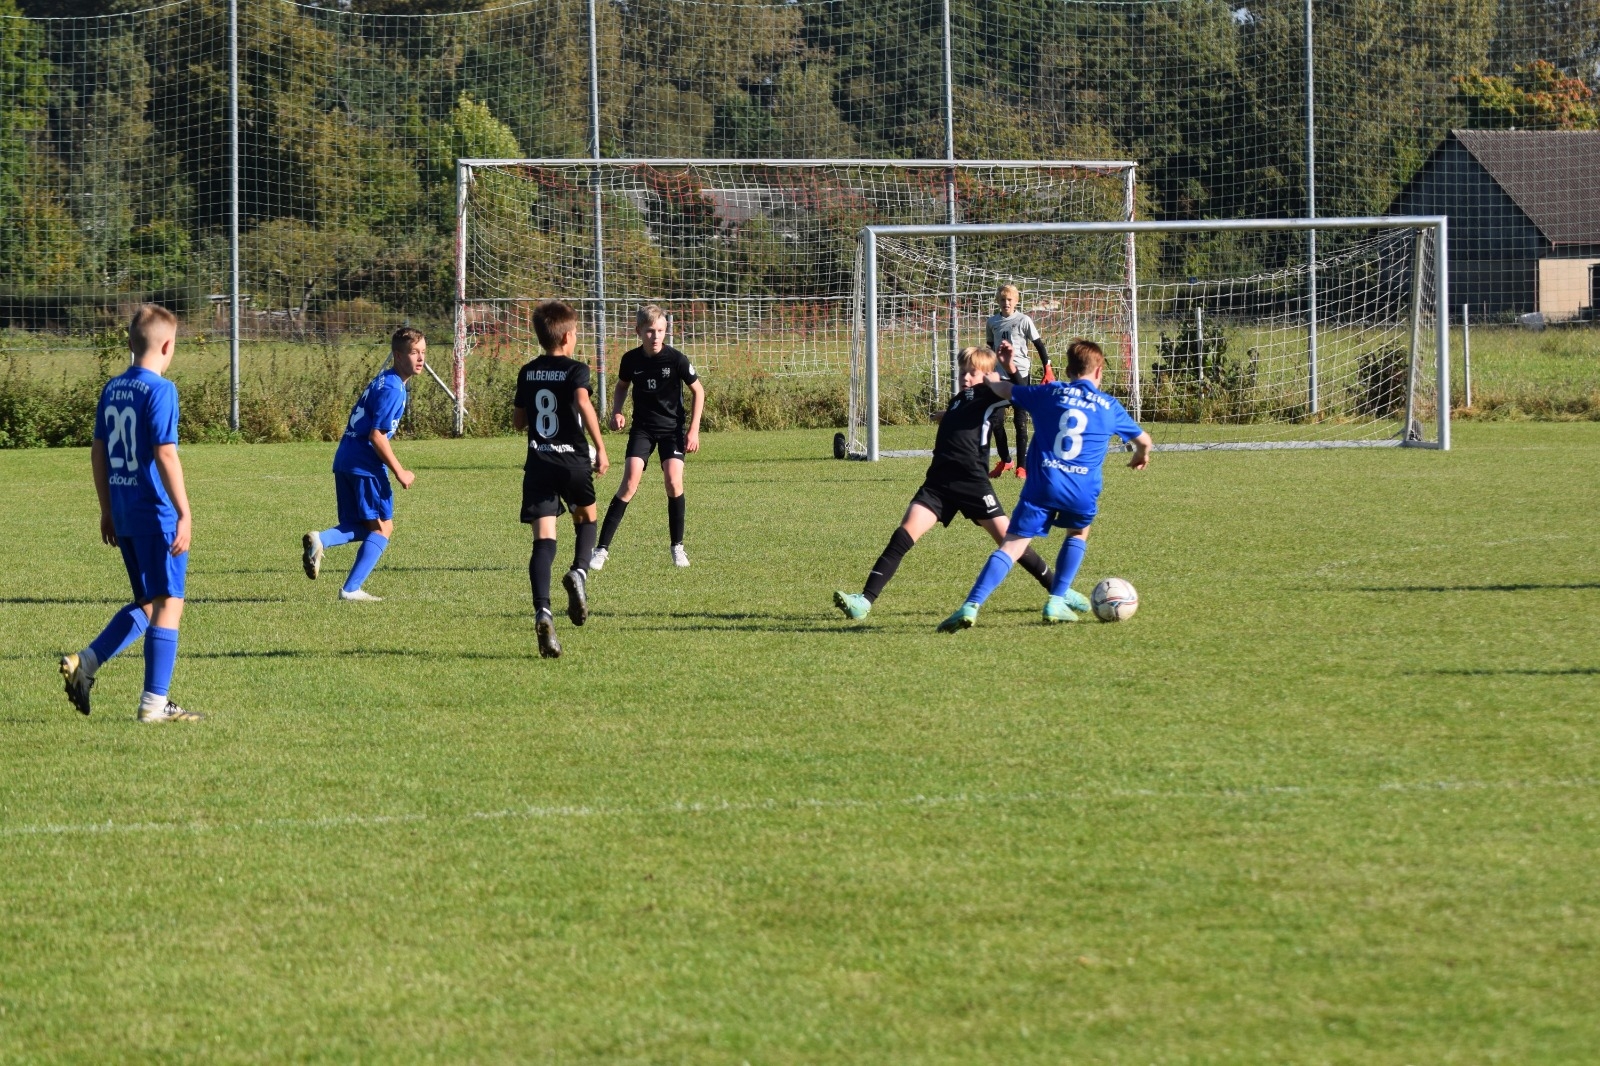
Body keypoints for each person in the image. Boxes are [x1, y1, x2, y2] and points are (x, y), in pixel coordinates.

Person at [938, 338, 1151, 631]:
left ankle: (971, 606)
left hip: (1043, 485)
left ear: (1069, 369)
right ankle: (1056, 599)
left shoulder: (1050, 392)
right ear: (1098, 371)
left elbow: (1006, 390)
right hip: (1081, 490)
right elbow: (1144, 441)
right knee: (1078, 531)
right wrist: (1140, 456)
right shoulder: (1109, 406)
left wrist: (994, 376)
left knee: (1012, 546)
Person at [834, 346, 1056, 620]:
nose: (965, 376)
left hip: (972, 483)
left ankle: (1058, 591)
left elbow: (1022, 395)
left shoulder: (991, 393)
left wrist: (1010, 367)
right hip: (939, 481)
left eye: (972, 372)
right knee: (904, 533)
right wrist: (946, 415)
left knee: (1012, 541)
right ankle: (864, 601)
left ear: (987, 375)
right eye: (964, 370)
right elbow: (961, 418)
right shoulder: (960, 398)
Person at [59, 304, 202, 723]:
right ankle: (154, 704)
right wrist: (185, 513)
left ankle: (85, 662)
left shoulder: (113, 388)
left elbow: (99, 451)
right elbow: (165, 453)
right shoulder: (161, 390)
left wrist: (107, 508)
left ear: (130, 342)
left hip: (124, 511)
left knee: (147, 601)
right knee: (169, 601)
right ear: (169, 345)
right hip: (156, 513)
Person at [513, 300, 610, 658]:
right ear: (568, 336)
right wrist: (601, 448)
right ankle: (579, 573)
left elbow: (519, 422)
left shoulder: (527, 371)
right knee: (587, 517)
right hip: (573, 461)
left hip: (538, 463)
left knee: (543, 540)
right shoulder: (576, 370)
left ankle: (543, 611)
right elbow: (583, 404)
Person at [302, 326, 424, 601]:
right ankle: (351, 589)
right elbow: (377, 436)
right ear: (397, 355)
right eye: (413, 352)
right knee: (383, 528)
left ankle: (321, 540)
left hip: (344, 458)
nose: (420, 358)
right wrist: (400, 471)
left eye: (423, 352)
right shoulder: (394, 389)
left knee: (362, 525)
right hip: (364, 464)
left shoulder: (384, 380)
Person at [591, 305, 704, 570]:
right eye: (650, 331)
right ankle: (601, 550)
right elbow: (621, 386)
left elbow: (698, 392)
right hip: (642, 428)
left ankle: (677, 547)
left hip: (672, 430)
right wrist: (617, 411)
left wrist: (694, 430)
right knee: (629, 483)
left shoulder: (676, 359)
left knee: (674, 482)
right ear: (639, 331)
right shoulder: (630, 360)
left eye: (661, 331)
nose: (656, 336)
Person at [985, 283, 1050, 479]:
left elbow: (1039, 344)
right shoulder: (992, 322)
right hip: (999, 375)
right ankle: (1006, 460)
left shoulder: (1024, 320)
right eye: (1003, 300)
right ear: (998, 301)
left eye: (1009, 300)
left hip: (1020, 374)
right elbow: (990, 348)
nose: (1006, 303)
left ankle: (1022, 466)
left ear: (1016, 302)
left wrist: (1047, 367)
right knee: (995, 419)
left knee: (1020, 420)